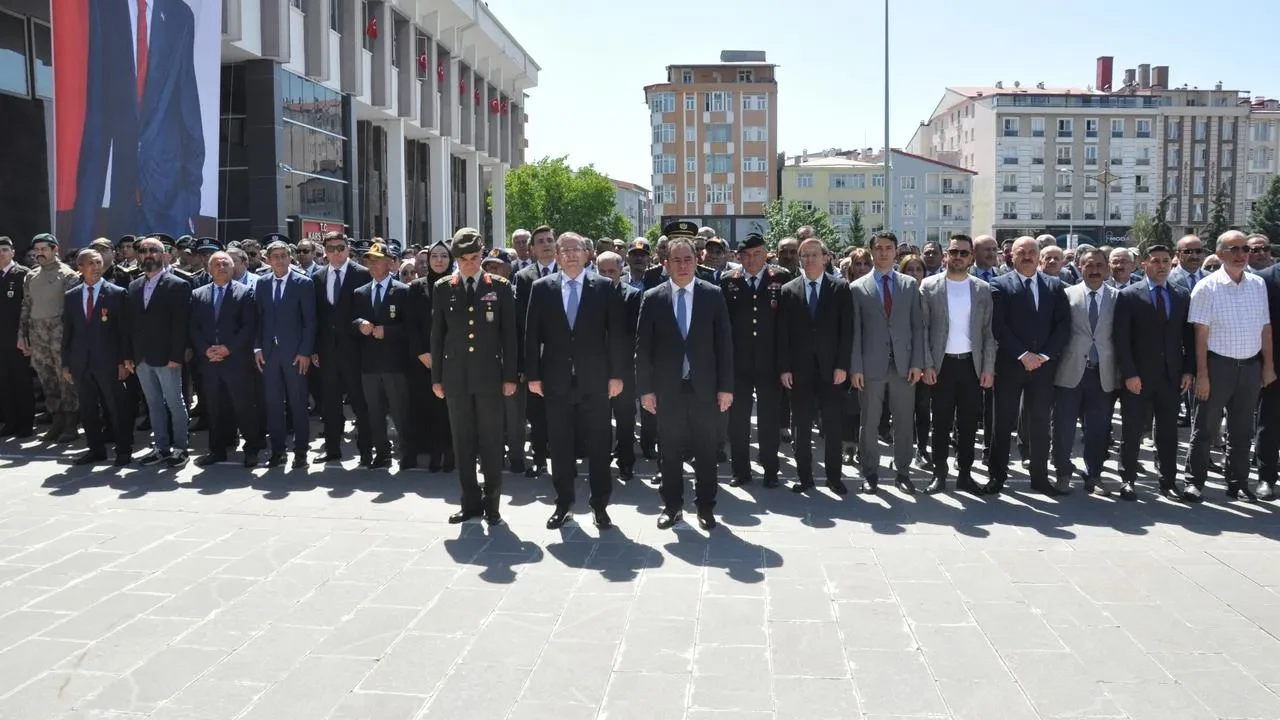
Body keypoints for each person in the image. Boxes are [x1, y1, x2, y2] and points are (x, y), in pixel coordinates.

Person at [70, 0, 204, 242]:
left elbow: (187, 99)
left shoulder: (179, 14)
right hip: (124, 192)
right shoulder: (104, 7)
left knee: (167, 275)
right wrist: (81, 233)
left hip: (167, 186)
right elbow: (96, 114)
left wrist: (192, 198)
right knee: (125, 270)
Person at [524, 232, 627, 530]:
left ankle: (600, 506)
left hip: (595, 382)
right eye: (564, 250)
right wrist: (533, 375)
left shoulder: (605, 287)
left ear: (586, 254)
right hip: (556, 382)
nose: (570, 254)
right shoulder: (542, 288)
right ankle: (563, 503)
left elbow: (617, 336)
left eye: (576, 249)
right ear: (556, 256)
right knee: (560, 446)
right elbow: (532, 336)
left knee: (598, 444)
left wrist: (617, 375)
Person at [636, 223, 733, 531]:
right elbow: (643, 350)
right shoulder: (652, 298)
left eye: (687, 259)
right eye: (675, 260)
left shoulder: (713, 295)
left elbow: (725, 345)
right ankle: (672, 506)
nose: (681, 265)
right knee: (670, 451)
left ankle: (706, 507)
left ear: (697, 260)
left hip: (704, 388)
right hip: (668, 390)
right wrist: (646, 390)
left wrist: (726, 388)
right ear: (665, 264)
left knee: (706, 451)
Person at [432, 228, 518, 525]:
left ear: (482, 255)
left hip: (489, 376)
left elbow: (510, 337)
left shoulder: (500, 286)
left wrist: (510, 376)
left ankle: (492, 503)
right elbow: (437, 335)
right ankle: (469, 502)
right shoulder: (444, 287)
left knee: (492, 441)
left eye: (475, 257)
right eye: (464, 258)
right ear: (456, 259)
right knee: (462, 442)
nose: (469, 263)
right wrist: (436, 378)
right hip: (455, 377)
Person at [1184, 230, 1276, 502]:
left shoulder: (1258, 284)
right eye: (1234, 249)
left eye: (1245, 249)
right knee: (1204, 429)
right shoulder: (1206, 287)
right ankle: (1194, 481)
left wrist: (1268, 366)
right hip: (1217, 367)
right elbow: (1199, 334)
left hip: (1249, 367)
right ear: (1221, 253)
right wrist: (1202, 374)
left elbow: (1265, 328)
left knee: (1242, 430)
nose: (1241, 255)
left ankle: (1237, 482)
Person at [988, 236, 1072, 496]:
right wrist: (1023, 354)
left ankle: (1039, 478)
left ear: (1038, 256)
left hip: (1043, 369)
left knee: (1039, 424)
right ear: (1010, 256)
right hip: (1011, 366)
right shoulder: (998, 285)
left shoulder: (1056, 286)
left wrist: (1044, 355)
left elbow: (1063, 325)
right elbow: (998, 326)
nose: (1027, 256)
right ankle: (997, 476)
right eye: (1021, 252)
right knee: (1002, 423)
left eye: (1032, 252)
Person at [1114, 245, 1193, 501]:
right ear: (1144, 264)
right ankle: (1127, 480)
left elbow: (1188, 338)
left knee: (1168, 431)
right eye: (1156, 261)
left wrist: (1188, 371)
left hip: (1171, 376)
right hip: (1138, 376)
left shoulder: (1181, 295)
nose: (1161, 266)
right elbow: (1121, 339)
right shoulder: (1129, 295)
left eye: (1166, 261)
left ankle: (1168, 480)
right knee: (1132, 429)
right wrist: (1129, 373)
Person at [850, 231, 925, 494]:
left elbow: (918, 327)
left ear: (896, 252)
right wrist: (856, 367)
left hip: (904, 366)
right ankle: (870, 472)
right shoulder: (857, 288)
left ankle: (902, 472)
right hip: (871, 366)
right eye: (879, 248)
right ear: (871, 252)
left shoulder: (909, 284)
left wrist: (918, 363)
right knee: (869, 422)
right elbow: (855, 332)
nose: (883, 253)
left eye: (888, 248)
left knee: (904, 421)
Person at [920, 234, 994, 494]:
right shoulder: (929, 287)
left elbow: (988, 333)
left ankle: (965, 474)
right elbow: (923, 330)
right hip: (942, 366)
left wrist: (987, 368)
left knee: (968, 424)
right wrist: (927, 364)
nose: (958, 257)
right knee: (939, 422)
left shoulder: (982, 289)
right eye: (954, 252)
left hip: (971, 367)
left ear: (971, 257)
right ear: (946, 256)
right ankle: (939, 474)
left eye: (964, 253)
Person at [778, 237, 852, 494]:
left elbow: (847, 331)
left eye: (813, 254)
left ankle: (834, 477)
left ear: (825, 257)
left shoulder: (840, 288)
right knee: (801, 426)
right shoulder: (788, 290)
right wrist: (785, 368)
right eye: (804, 255)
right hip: (799, 372)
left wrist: (843, 365)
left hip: (832, 370)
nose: (809, 259)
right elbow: (783, 334)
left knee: (832, 426)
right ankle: (805, 477)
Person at [720, 232, 791, 488]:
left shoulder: (781, 278)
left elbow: (786, 325)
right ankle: (740, 470)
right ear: (739, 257)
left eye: (757, 254)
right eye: (746, 255)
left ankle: (771, 470)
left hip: (769, 361)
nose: (751, 260)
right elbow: (723, 325)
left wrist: (785, 363)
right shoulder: (729, 280)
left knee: (769, 417)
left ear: (766, 254)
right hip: (738, 363)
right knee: (738, 420)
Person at [1052, 246, 1119, 496]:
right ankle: (1062, 473)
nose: (1094, 270)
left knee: (1099, 428)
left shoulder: (1117, 297)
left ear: (1107, 269)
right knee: (1063, 426)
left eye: (1099, 266)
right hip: (1070, 371)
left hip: (1102, 373)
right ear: (1080, 267)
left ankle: (1094, 475)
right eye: (1089, 265)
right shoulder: (1066, 294)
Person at [189, 251, 262, 467]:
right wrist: (206, 350)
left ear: (233, 268)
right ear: (209, 269)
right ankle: (217, 450)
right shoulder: (197, 294)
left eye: (226, 264)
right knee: (213, 407)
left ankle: (252, 448)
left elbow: (248, 327)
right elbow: (193, 327)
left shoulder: (245, 293)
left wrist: (228, 349)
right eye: (217, 264)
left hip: (236, 361)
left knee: (244, 406)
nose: (221, 267)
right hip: (209, 362)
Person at [126, 235, 193, 468]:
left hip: (168, 357)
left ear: (164, 255)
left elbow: (180, 325)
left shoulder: (178, 285)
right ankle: (161, 448)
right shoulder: (134, 286)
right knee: (153, 404)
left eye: (153, 251)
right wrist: (129, 356)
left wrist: (176, 355)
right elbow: (130, 325)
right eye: (143, 251)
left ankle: (181, 448)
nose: (148, 255)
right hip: (142, 357)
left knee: (175, 402)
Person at [61, 249, 132, 466]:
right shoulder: (71, 296)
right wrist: (65, 363)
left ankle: (123, 450)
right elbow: (68, 332)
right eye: (90, 263)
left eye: (99, 262)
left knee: (116, 407)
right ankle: (96, 449)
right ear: (80, 267)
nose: (96, 267)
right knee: (88, 408)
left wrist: (123, 360)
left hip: (109, 363)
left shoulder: (117, 293)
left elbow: (124, 332)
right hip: (81, 363)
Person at [311, 232, 373, 466]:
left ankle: (366, 450)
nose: (336, 252)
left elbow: (366, 311)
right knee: (330, 402)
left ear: (348, 249)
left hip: (354, 350)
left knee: (359, 402)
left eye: (340, 247)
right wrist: (315, 348)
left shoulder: (362, 274)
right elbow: (316, 316)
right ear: (325, 251)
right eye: (331, 248)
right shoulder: (317, 277)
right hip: (327, 352)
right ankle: (333, 448)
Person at [254, 240, 316, 469]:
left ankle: (300, 451)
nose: (279, 260)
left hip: (295, 355)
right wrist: (257, 348)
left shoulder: (303, 283)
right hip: (269, 354)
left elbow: (310, 322)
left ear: (290, 257)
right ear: (268, 259)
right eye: (275, 256)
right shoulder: (261, 283)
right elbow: (258, 319)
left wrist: (305, 352)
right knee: (273, 404)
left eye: (283, 256)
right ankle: (278, 451)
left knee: (298, 403)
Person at [350, 243, 412, 470]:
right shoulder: (361, 292)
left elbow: (410, 328)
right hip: (369, 365)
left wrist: (388, 331)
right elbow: (352, 321)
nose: (372, 263)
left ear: (390, 262)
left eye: (377, 259)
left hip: (394, 364)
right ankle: (382, 453)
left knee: (399, 411)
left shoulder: (402, 291)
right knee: (374, 412)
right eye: (369, 259)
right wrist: (359, 325)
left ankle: (406, 452)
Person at [20, 234, 82, 443]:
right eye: (36, 249)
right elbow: (26, 306)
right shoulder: (31, 276)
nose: (39, 253)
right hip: (38, 334)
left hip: (59, 333)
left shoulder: (68, 275)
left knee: (65, 378)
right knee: (46, 379)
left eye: (44, 249)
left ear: (55, 249)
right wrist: (23, 335)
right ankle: (57, 419)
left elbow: (73, 311)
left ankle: (71, 422)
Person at [512, 224, 559, 476]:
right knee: (537, 413)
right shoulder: (523, 277)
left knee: (563, 411)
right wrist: (523, 364)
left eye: (550, 239)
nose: (546, 244)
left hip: (565, 356)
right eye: (541, 241)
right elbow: (520, 324)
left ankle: (565, 460)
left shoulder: (568, 272)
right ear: (531, 249)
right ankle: (540, 460)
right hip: (536, 356)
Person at [405, 239, 455, 471]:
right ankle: (434, 453)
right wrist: (421, 353)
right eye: (434, 256)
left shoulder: (458, 284)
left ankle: (451, 453)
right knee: (428, 407)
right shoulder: (417, 287)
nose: (438, 260)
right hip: (424, 360)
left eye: (444, 256)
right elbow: (411, 324)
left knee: (450, 410)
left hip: (452, 358)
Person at [595, 250, 642, 480]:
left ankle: (626, 462)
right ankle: (602, 461)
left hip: (623, 369)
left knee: (625, 419)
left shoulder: (632, 295)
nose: (606, 276)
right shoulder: (589, 293)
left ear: (621, 270)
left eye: (611, 271)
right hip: (596, 369)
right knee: (600, 420)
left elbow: (633, 334)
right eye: (601, 271)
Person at [0, 237, 34, 439]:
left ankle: (26, 423)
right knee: (4, 382)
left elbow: (28, 307)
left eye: (5, 249)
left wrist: (27, 337)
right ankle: (10, 422)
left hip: (18, 338)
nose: (1, 253)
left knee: (22, 381)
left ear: (13, 252)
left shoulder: (23, 274)